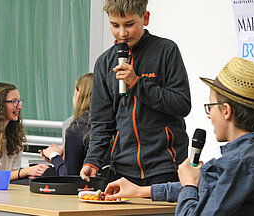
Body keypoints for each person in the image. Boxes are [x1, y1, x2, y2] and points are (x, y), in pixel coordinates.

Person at [104, 57, 254, 216]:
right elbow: (206, 185)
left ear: (226, 111)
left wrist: (189, 185)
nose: (209, 115)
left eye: (210, 106)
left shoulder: (240, 164)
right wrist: (139, 191)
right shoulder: (250, 155)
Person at [80, 0, 191, 187]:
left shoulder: (166, 51)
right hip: (122, 169)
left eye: (129, 25)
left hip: (165, 167)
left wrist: (137, 83)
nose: (122, 33)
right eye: (115, 25)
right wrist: (93, 160)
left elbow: (181, 104)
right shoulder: (104, 63)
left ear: (145, 18)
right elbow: (101, 122)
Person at [0, 82, 49, 182]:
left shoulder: (14, 134)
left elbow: (13, 173)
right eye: (14, 102)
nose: (19, 107)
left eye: (19, 102)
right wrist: (24, 172)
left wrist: (34, 172)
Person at [40, 73, 95, 176]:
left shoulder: (78, 129)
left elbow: (69, 177)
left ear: (80, 94)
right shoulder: (112, 123)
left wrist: (54, 156)